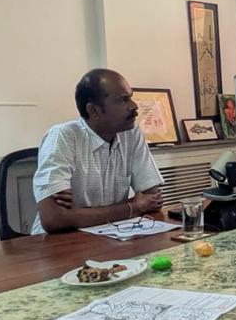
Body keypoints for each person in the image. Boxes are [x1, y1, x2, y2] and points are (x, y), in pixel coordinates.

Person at [32, 69, 165, 234]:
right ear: (94, 110)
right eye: (123, 100)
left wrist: (78, 214)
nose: (134, 106)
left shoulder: (131, 133)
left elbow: (153, 200)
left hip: (113, 234)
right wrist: (132, 207)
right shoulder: (63, 137)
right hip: (58, 241)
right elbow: (54, 219)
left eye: (130, 98)